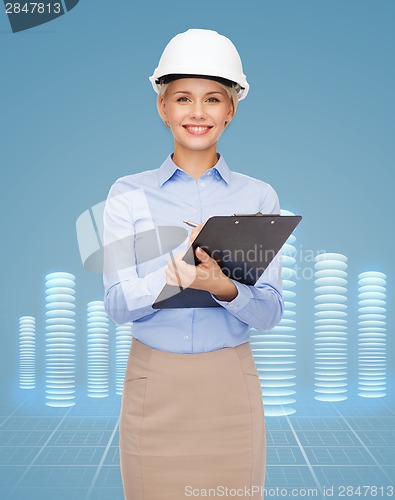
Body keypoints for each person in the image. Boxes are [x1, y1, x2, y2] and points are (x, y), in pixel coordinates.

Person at [102, 28, 284, 500]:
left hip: (229, 388)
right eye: (183, 98)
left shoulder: (259, 196)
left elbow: (269, 313)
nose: (198, 113)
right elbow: (118, 305)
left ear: (231, 109)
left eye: (213, 99)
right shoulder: (128, 194)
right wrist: (166, 281)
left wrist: (222, 286)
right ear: (163, 108)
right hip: (154, 387)